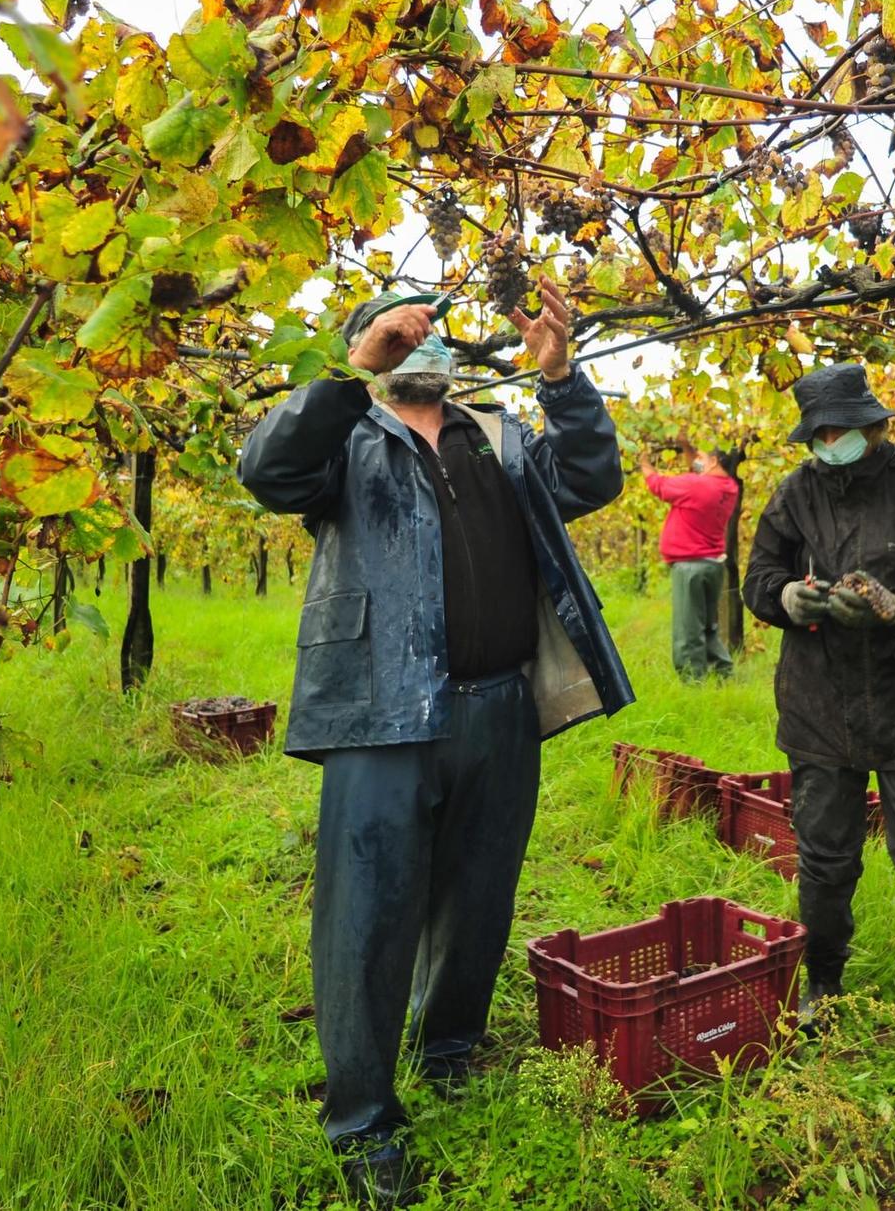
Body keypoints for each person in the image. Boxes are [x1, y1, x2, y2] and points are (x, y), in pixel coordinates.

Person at [236, 279, 633, 1208]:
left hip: (499, 705)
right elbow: (267, 473)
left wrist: (562, 377)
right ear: (371, 350)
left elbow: (593, 479)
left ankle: (449, 1049)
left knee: (479, 893)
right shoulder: (344, 435)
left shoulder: (500, 436)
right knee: (368, 917)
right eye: (398, 334)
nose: (422, 346)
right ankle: (365, 1117)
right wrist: (352, 369)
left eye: (431, 335)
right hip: (379, 710)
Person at [742, 363, 895, 1056]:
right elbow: (760, 577)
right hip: (821, 708)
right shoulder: (795, 494)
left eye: (843, 428)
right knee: (823, 859)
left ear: (872, 425)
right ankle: (822, 983)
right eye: (820, 431)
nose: (832, 440)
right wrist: (789, 598)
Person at [638, 445, 741, 681]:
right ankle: (724, 674)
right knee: (707, 626)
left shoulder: (698, 485)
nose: (698, 463)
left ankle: (692, 682)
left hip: (690, 566)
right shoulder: (729, 488)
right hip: (713, 565)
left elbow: (659, 486)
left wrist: (645, 463)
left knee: (688, 629)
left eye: (702, 459)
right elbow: (695, 474)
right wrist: (687, 446)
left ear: (714, 461)